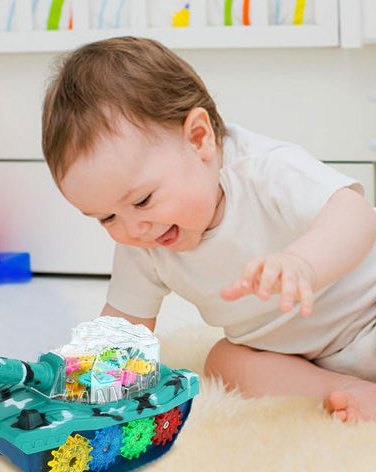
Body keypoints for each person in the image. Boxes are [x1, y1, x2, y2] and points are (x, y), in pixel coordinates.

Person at [42, 36, 376, 422]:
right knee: (224, 362)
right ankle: (346, 390)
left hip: (367, 314)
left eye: (142, 200)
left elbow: (354, 213)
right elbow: (124, 324)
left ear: (198, 138)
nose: (134, 228)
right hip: (299, 352)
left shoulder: (263, 172)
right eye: (106, 218)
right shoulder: (143, 241)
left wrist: (303, 262)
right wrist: (91, 382)